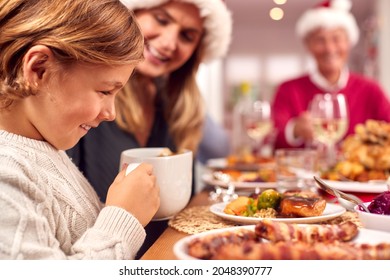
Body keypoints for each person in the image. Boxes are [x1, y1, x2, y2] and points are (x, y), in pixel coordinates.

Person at [66, 0, 232, 258]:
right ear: (128, 13)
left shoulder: (176, 107)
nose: (169, 43)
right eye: (161, 20)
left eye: (187, 36)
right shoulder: (87, 100)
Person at [0, 0, 160, 259]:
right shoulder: (6, 174)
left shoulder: (44, 148)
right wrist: (122, 219)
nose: (111, 113)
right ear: (39, 68)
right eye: (105, 91)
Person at [272, 0, 390, 149]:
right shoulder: (287, 90)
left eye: (336, 38)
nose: (329, 48)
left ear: (348, 42)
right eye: (320, 40)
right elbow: (271, 138)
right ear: (308, 46)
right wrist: (294, 130)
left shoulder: (371, 90)